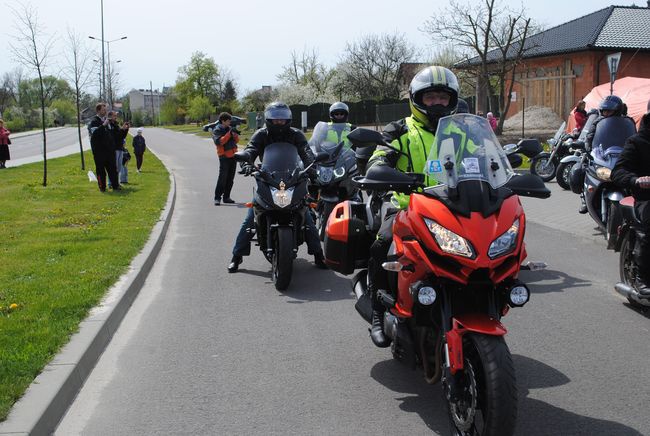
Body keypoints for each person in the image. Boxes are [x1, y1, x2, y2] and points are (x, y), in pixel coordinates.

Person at [364, 65, 473, 347]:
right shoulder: (400, 129)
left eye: (442, 97)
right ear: (416, 99)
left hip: (454, 207)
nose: (437, 103)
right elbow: (379, 158)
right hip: (407, 207)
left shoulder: (461, 133)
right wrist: (382, 170)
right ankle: (377, 311)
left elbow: (486, 160)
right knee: (381, 243)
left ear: (452, 100)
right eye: (430, 97)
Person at [227, 101, 326, 273]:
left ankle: (318, 255)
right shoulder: (261, 135)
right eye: (275, 120)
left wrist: (313, 168)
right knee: (250, 219)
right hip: (268, 179)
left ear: (288, 120)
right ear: (268, 120)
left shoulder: (296, 135)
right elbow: (251, 150)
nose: (279, 123)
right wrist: (247, 164)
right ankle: (236, 256)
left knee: (307, 218)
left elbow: (306, 152)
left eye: (282, 120)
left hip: (292, 179)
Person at [611, 100, 650, 297]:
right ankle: (642, 278)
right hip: (646, 197)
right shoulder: (637, 142)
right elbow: (618, 172)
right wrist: (636, 180)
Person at [577, 95, 635, 213]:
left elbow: (634, 137)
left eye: (608, 111)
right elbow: (590, 137)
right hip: (603, 154)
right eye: (603, 110)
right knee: (582, 167)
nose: (605, 113)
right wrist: (587, 148)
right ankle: (584, 197)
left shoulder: (628, 121)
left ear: (617, 110)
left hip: (622, 155)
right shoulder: (598, 121)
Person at [88, 103, 120, 192]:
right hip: (99, 152)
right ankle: (102, 187)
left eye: (105, 110)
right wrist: (103, 125)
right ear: (98, 111)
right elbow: (95, 134)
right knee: (101, 171)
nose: (105, 112)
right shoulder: (94, 121)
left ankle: (115, 186)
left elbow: (112, 135)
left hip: (109, 151)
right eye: (103, 110)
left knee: (113, 169)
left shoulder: (107, 121)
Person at [213, 112, 239, 205]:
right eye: (228, 121)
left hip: (233, 156)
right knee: (222, 178)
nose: (229, 122)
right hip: (224, 156)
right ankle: (217, 198)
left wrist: (235, 135)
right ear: (223, 121)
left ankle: (226, 197)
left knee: (230, 178)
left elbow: (237, 140)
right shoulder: (217, 130)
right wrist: (229, 134)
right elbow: (220, 142)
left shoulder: (230, 129)